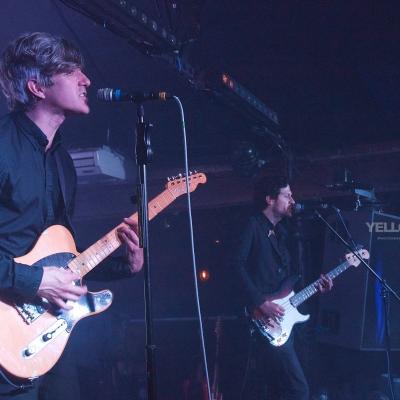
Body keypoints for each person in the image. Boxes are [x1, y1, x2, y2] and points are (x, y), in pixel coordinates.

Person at [0, 32, 144, 399]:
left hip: (49, 333)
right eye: (71, 71)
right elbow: (43, 275)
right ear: (37, 86)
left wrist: (123, 266)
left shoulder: (63, 163)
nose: (87, 80)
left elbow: (62, 262)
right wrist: (34, 281)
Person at [232, 175, 333, 400]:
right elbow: (235, 266)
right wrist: (260, 302)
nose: (292, 201)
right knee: (298, 390)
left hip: (282, 320)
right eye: (287, 195)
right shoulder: (253, 225)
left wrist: (317, 288)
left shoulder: (282, 233)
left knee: (278, 390)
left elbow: (287, 285)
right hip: (262, 319)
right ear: (270, 199)